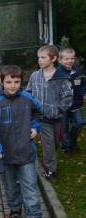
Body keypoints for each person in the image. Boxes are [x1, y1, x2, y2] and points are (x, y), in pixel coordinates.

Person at [0, 65, 45, 218]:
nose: (13, 85)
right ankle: (15, 208)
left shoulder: (27, 98)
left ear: (21, 81)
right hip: (5, 153)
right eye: (9, 82)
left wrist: (35, 127)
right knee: (10, 185)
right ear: (1, 82)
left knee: (30, 185)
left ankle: (34, 216)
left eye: (16, 81)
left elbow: (39, 113)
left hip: (26, 150)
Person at [26, 44, 72, 181]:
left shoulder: (62, 77)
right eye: (39, 57)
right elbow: (28, 93)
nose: (39, 60)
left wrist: (58, 109)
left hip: (56, 118)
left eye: (43, 57)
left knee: (55, 143)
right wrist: (32, 110)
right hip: (41, 119)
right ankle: (50, 171)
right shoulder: (35, 76)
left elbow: (68, 97)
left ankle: (50, 161)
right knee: (48, 146)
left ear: (53, 59)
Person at [58, 48, 85, 155]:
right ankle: (67, 148)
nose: (70, 61)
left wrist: (84, 93)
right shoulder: (57, 73)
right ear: (60, 60)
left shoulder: (78, 71)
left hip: (76, 104)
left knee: (79, 123)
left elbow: (83, 84)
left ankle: (72, 142)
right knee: (64, 129)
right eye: (66, 59)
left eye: (72, 58)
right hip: (62, 106)